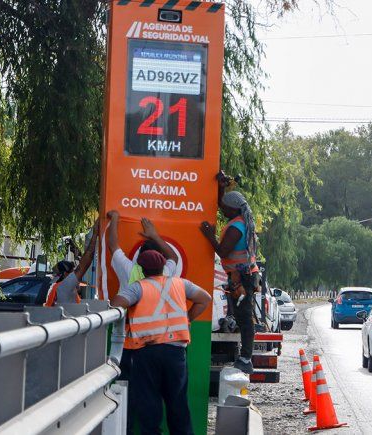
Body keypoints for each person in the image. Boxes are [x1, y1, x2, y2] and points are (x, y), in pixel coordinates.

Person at [110, 250, 212, 435]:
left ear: (142, 269)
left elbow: (116, 304)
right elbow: (205, 299)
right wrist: (187, 319)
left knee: (149, 402)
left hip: (147, 352)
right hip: (176, 353)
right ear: (163, 267)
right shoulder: (180, 283)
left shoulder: (138, 287)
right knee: (178, 401)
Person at [200, 171, 260, 374]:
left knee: (244, 318)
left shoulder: (237, 227)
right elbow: (221, 203)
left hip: (241, 278)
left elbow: (223, 251)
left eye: (225, 207)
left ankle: (246, 358)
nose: (222, 209)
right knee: (242, 315)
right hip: (242, 276)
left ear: (233, 208)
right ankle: (245, 357)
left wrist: (209, 236)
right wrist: (221, 188)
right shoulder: (239, 221)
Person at [45, 220, 99, 306]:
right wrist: (95, 234)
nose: (75, 274)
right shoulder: (64, 287)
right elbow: (84, 265)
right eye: (72, 272)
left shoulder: (55, 287)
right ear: (65, 274)